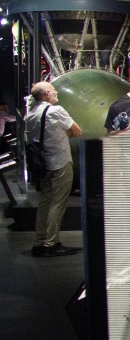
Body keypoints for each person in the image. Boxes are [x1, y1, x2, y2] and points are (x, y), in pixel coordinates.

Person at [25, 82, 82, 257]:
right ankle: (51, 243)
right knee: (58, 203)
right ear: (47, 94)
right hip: (60, 162)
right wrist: (67, 132)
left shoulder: (31, 114)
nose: (56, 92)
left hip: (43, 165)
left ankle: (40, 240)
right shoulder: (56, 111)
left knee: (45, 202)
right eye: (53, 90)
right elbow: (77, 131)